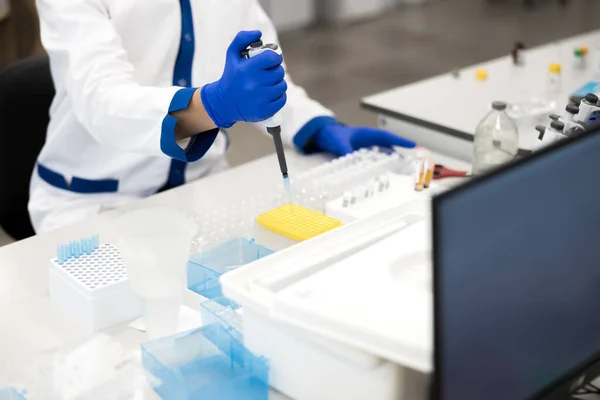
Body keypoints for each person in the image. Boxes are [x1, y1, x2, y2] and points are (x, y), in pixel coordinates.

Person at [30, 0, 415, 233]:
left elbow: (259, 76)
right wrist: (210, 106)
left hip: (201, 191)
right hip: (91, 206)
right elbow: (101, 101)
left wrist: (318, 127)